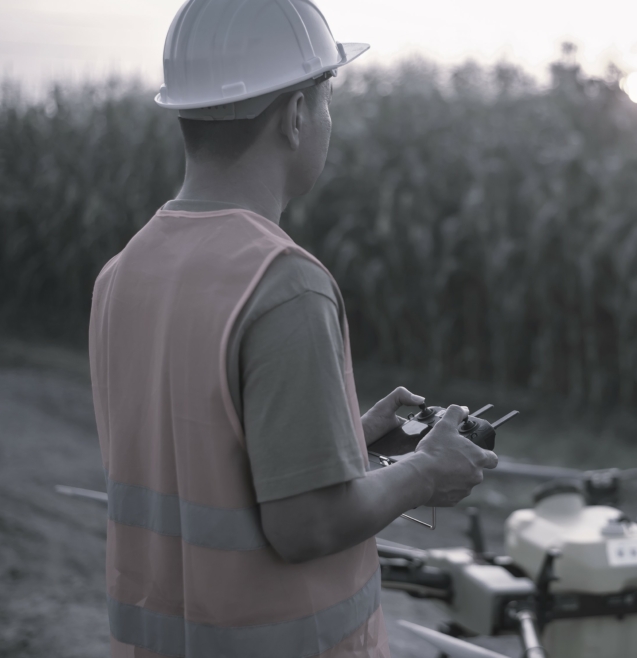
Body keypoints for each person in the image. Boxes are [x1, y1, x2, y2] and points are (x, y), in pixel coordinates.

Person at [87, 1, 497, 656]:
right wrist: (425, 473)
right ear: (297, 114)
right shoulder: (284, 284)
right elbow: (306, 525)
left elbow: (197, 461)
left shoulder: (123, 273)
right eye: (327, 101)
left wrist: (345, 444)